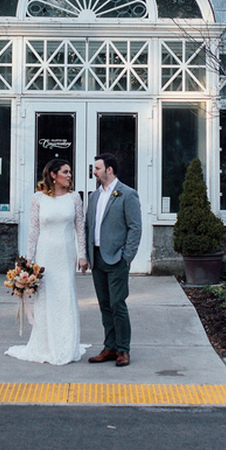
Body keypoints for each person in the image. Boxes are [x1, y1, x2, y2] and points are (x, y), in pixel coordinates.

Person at [5, 158, 90, 365]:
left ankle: (66, 344)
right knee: (46, 297)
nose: (69, 176)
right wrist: (28, 262)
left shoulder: (74, 199)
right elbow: (33, 230)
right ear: (53, 175)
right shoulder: (38, 198)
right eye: (65, 172)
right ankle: (44, 344)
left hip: (65, 254)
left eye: (70, 172)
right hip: (45, 255)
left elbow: (80, 227)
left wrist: (82, 254)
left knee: (65, 295)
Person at [85, 152, 142, 367]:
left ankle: (123, 350)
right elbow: (88, 227)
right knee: (104, 305)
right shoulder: (94, 196)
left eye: (97, 168)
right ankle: (109, 347)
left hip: (117, 258)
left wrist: (127, 257)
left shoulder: (127, 194)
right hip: (97, 258)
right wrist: (88, 254)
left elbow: (135, 227)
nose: (94, 172)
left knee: (118, 304)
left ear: (109, 170)